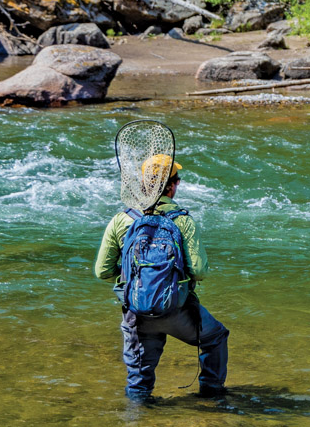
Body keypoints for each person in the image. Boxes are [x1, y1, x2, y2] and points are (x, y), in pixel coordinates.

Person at [95, 154, 229, 401]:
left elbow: (102, 271)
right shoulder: (183, 220)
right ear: (171, 185)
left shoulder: (122, 219)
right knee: (215, 337)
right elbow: (199, 271)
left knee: (138, 382)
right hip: (177, 311)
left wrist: (135, 278)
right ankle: (211, 401)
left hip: (136, 312)